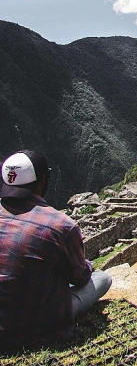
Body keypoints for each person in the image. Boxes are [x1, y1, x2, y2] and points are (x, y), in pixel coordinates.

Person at [0, 150, 112, 350]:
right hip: (34, 327)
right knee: (103, 278)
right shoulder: (60, 226)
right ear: (43, 180)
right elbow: (81, 277)